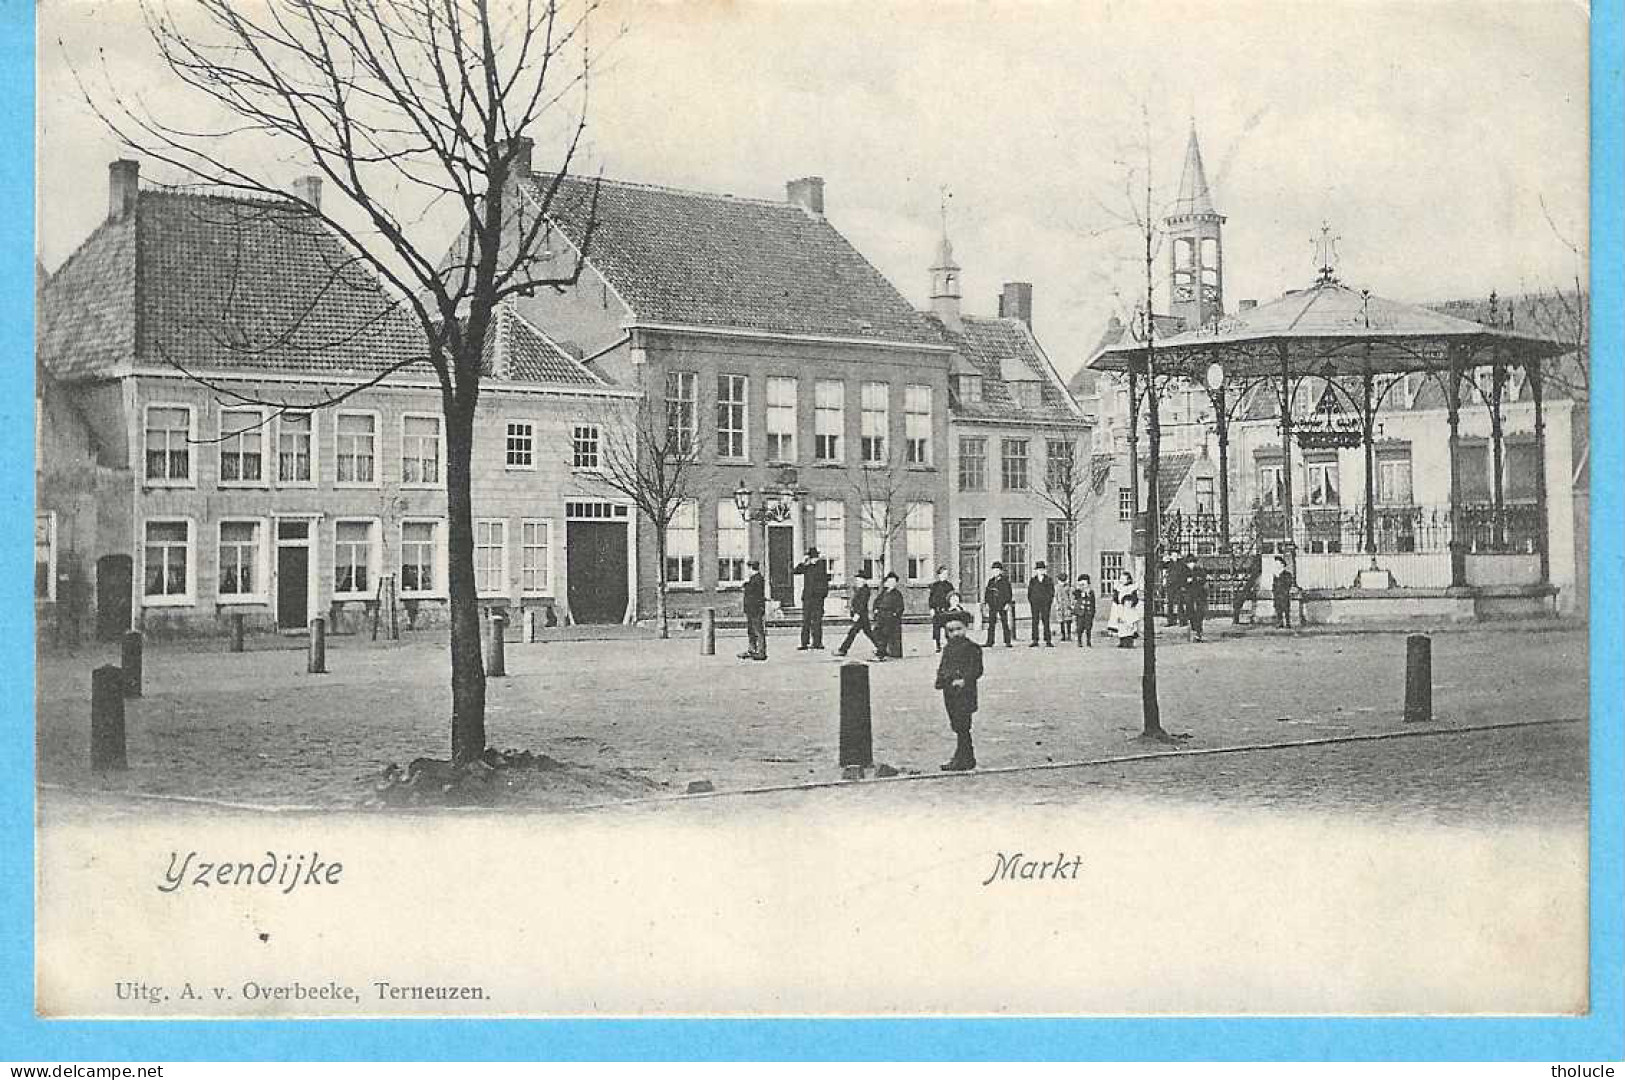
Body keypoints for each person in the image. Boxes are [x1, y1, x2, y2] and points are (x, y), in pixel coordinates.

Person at [934, 610, 984, 772]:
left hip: (965, 693)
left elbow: (976, 669)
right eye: (951, 631)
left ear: (965, 628)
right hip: (950, 692)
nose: (955, 633)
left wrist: (964, 680)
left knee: (963, 725)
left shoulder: (972, 648)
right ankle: (964, 755)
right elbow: (943, 667)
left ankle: (965, 757)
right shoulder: (948, 649)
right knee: (956, 724)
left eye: (958, 629)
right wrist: (941, 679)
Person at [792, 547, 830, 650]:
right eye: (812, 558)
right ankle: (804, 643)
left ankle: (817, 642)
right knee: (806, 621)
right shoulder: (806, 567)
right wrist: (803, 562)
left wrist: (823, 595)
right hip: (808, 598)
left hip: (817, 598)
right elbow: (795, 571)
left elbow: (825, 582)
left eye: (814, 558)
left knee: (817, 621)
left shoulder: (821, 566)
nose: (814, 560)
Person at [834, 570, 878, 657]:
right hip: (861, 616)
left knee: (853, 633)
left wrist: (857, 614)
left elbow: (862, 604)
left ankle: (843, 650)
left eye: (859, 580)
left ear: (864, 580)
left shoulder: (865, 590)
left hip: (861, 616)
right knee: (868, 633)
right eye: (857, 580)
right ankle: (881, 648)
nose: (857, 581)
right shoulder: (860, 589)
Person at [872, 571, 906, 661]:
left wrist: (895, 614)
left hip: (890, 617)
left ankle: (881, 654)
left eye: (893, 582)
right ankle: (880, 650)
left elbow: (900, 607)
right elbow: (876, 602)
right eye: (890, 582)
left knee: (884, 634)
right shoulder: (883, 592)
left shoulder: (897, 594)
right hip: (881, 616)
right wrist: (875, 610)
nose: (891, 584)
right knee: (876, 633)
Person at [739, 560, 768, 661]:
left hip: (755, 609)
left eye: (748, 568)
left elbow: (751, 592)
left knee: (758, 630)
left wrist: (745, 585)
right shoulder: (754, 579)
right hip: (751, 609)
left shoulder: (757, 579)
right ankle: (752, 650)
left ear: (751, 568)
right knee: (751, 630)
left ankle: (761, 652)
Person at [982, 561, 1015, 648]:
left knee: (1004, 623)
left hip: (1002, 604)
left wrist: (1008, 603)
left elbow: (1009, 593)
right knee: (991, 624)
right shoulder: (991, 581)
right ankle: (990, 641)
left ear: (1000, 571)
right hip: (993, 605)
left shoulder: (1005, 581)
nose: (995, 572)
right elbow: (987, 593)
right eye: (994, 570)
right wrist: (987, 603)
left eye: (997, 570)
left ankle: (1007, 641)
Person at [1108, 569, 1142, 647]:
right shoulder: (1118, 587)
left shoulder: (1131, 588)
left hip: (1128, 609)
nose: (1121, 580)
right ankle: (1122, 641)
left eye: (1124, 579)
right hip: (1120, 608)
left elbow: (1135, 598)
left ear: (1128, 579)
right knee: (1121, 625)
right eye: (1121, 578)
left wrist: (1131, 602)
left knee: (1129, 625)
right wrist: (1117, 602)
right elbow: (1115, 598)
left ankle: (1129, 642)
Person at [927, 567, 956, 652]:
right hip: (937, 610)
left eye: (946, 574)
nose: (945, 576)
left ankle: (949, 644)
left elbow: (953, 597)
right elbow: (931, 598)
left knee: (948, 627)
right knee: (936, 628)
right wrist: (931, 608)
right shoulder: (934, 586)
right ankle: (937, 645)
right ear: (939, 575)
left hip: (947, 610)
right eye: (943, 574)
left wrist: (952, 607)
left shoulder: (949, 585)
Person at [1027, 561, 1055, 647]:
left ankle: (1048, 640)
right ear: (1036, 571)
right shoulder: (1033, 580)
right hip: (1035, 604)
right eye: (1039, 569)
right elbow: (1029, 592)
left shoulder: (1048, 580)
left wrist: (1049, 601)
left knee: (1046, 621)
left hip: (1045, 604)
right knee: (1035, 621)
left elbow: (1051, 592)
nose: (1041, 571)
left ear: (1045, 570)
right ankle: (1035, 640)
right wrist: (1032, 601)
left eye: (1042, 569)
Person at [1183, 553, 1209, 642]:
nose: (1191, 564)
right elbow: (1181, 581)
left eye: (1193, 562)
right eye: (1189, 562)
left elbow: (1204, 579)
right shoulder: (1184, 570)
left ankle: (1198, 632)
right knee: (1190, 612)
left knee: (1199, 612)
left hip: (1199, 594)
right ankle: (1194, 628)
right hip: (1189, 594)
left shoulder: (1199, 570)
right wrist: (1186, 582)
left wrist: (1198, 579)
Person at [1072, 573, 1097, 647]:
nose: (1083, 586)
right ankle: (1079, 641)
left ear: (1088, 584)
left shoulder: (1091, 592)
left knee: (1088, 627)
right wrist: (1078, 589)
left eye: (1084, 584)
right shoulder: (1078, 592)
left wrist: (1093, 612)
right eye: (1081, 584)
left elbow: (1093, 602)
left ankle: (1088, 641)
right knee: (1079, 628)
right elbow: (1075, 595)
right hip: (1080, 613)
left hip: (1088, 612)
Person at [1164, 552, 1188, 627]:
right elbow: (1160, 567)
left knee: (1180, 603)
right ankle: (1170, 621)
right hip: (1170, 586)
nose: (1174, 557)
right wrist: (1164, 560)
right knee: (1170, 603)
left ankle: (1182, 620)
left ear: (1178, 556)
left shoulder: (1182, 564)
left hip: (1178, 586)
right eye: (1172, 555)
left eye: (1175, 555)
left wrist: (1183, 585)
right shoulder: (1169, 564)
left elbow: (1185, 574)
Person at [1271, 555, 1295, 629]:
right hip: (1277, 595)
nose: (1276, 565)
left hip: (1284, 595)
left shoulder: (1287, 574)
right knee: (1278, 609)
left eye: (1278, 564)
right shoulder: (1275, 575)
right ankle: (1280, 623)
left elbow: (1288, 584)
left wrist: (1284, 591)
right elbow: (1274, 585)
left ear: (1282, 565)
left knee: (1286, 609)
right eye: (1275, 564)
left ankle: (1288, 623)